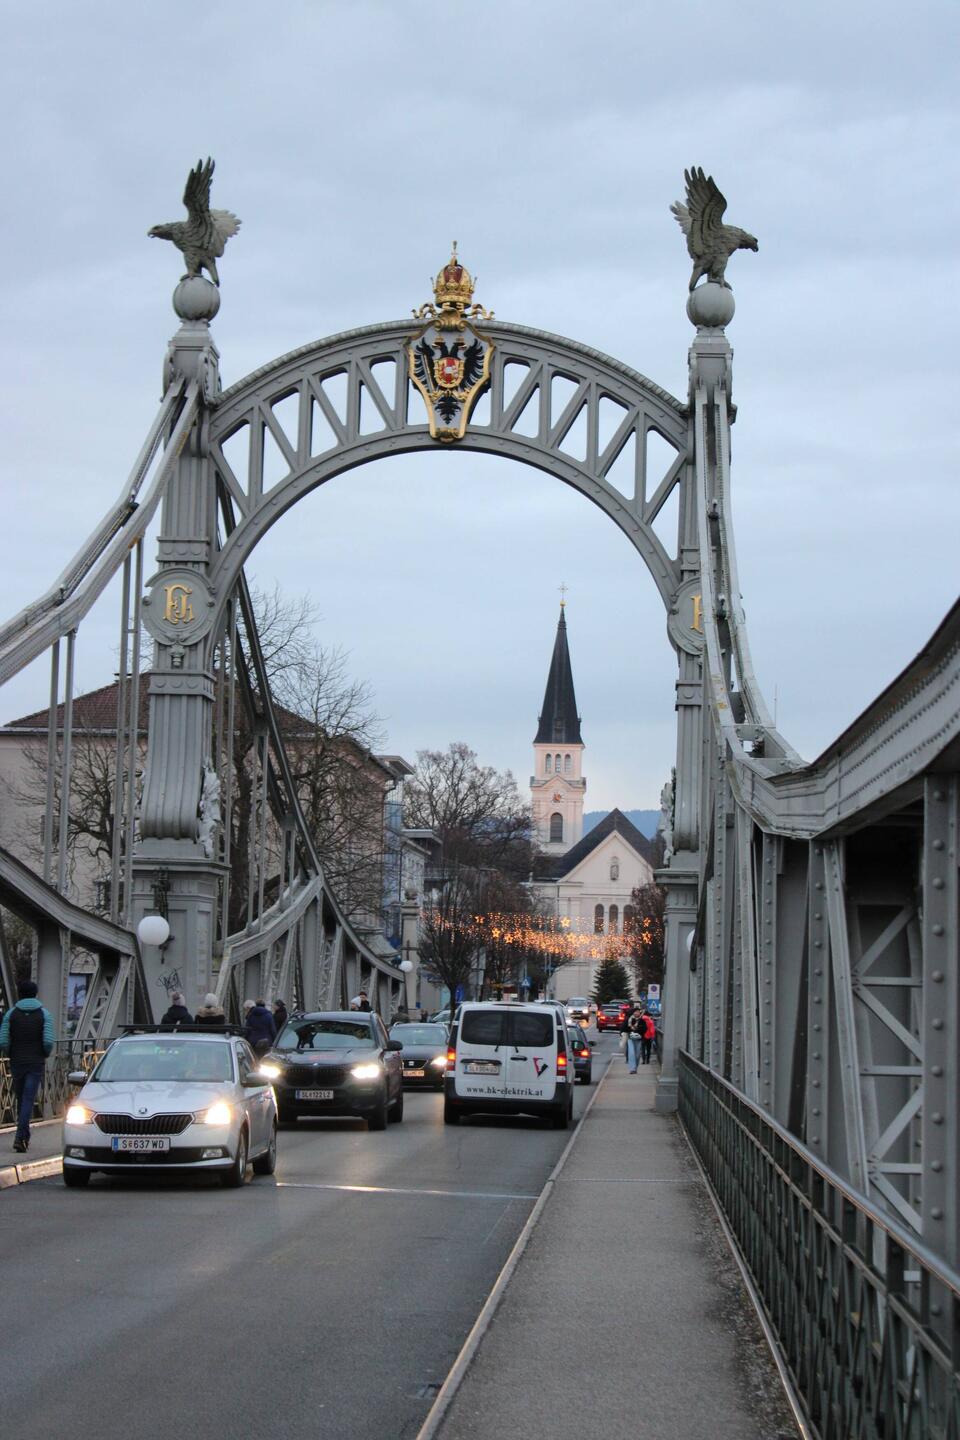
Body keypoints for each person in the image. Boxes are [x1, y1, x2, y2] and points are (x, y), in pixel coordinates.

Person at [0, 979, 55, 1152]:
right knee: (28, 1100)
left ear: (20, 994)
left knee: (20, 1098)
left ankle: (24, 1137)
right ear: (35, 993)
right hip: (35, 1062)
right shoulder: (44, 1014)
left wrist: (10, 1052)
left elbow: (3, 1040)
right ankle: (19, 1137)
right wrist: (44, 1053)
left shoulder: (11, 1014)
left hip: (17, 1061)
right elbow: (47, 1041)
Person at [624, 1004, 644, 1074]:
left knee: (637, 1054)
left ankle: (635, 1067)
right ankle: (632, 1069)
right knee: (631, 1053)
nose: (636, 1013)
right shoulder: (629, 1020)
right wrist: (629, 1029)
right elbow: (624, 1028)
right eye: (635, 1012)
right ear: (633, 1013)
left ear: (639, 1013)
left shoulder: (641, 1020)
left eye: (638, 1012)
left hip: (638, 1039)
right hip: (630, 1038)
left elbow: (645, 1029)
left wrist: (638, 1029)